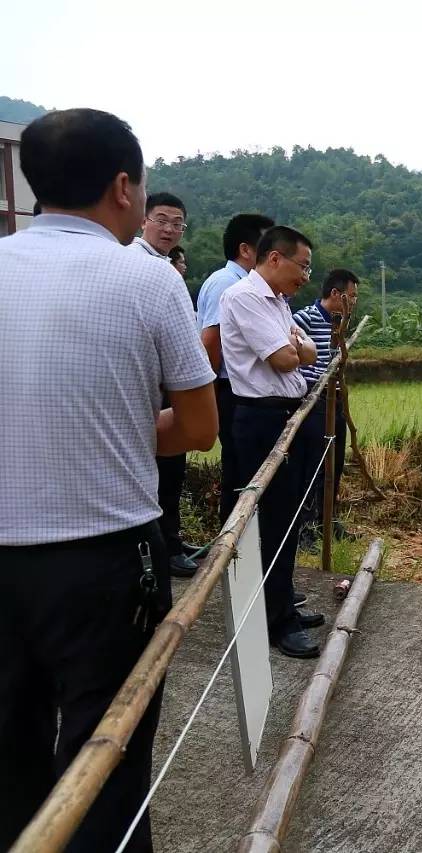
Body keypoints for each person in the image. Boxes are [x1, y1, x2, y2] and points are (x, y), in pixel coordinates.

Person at [0, 109, 216, 852]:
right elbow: (196, 427)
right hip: (105, 561)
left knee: (8, 755)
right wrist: (122, 427)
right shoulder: (149, 279)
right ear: (123, 187)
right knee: (106, 758)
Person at [220, 225, 327, 658]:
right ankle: (274, 622)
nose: (306, 276)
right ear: (275, 259)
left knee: (290, 516)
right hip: (262, 418)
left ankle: (282, 602)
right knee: (272, 522)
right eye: (302, 266)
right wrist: (297, 350)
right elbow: (286, 357)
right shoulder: (245, 297)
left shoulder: (279, 302)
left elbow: (308, 353)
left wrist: (299, 350)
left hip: (287, 414)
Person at [131, 193, 199, 576]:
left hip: (171, 392)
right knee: (157, 478)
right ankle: (162, 551)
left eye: (178, 223)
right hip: (150, 396)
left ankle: (170, 541)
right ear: (143, 220)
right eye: (162, 220)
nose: (170, 229)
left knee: (171, 476)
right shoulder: (140, 266)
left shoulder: (164, 267)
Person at [195, 213, 274, 525]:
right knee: (239, 469)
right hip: (229, 389)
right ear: (246, 249)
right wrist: (209, 395)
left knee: (245, 468)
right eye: (267, 247)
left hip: (236, 390)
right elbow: (210, 341)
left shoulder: (248, 285)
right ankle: (232, 541)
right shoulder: (226, 283)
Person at [294, 268, 359, 545]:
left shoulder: (340, 323)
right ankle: (306, 528)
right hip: (313, 399)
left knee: (336, 463)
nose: (354, 302)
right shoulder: (303, 319)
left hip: (335, 398)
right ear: (336, 294)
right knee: (314, 465)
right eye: (352, 296)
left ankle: (327, 521)